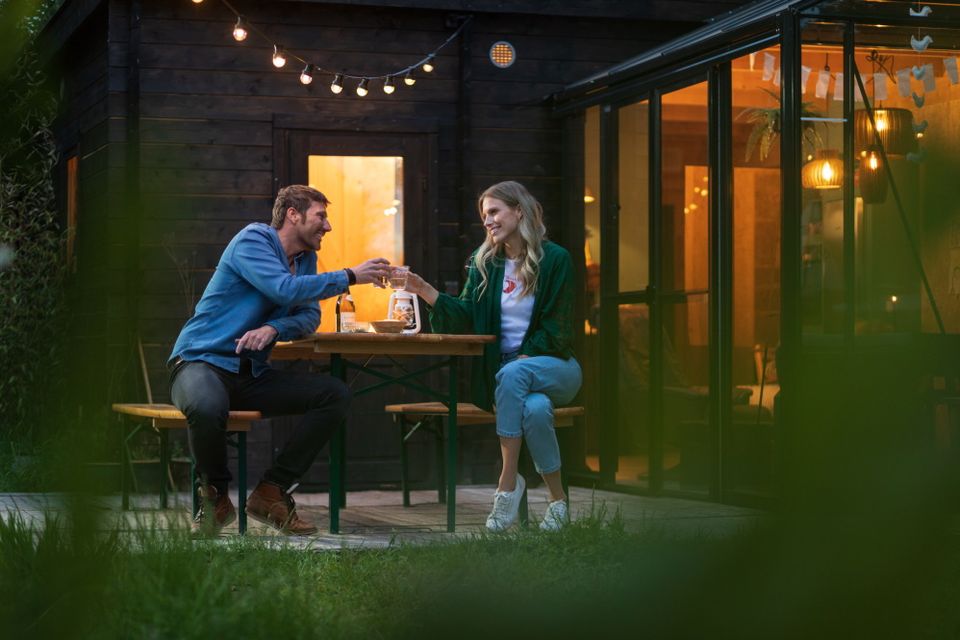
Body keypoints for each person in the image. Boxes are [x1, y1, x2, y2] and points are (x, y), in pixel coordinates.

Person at [168, 184, 391, 536]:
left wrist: (274, 326)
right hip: (201, 362)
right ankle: (214, 500)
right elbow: (283, 289)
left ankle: (271, 492)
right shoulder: (253, 240)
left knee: (334, 394)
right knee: (207, 405)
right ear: (293, 214)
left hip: (249, 373)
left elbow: (308, 317)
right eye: (321, 216)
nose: (328, 226)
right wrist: (350, 276)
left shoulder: (305, 261)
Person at [404, 181, 582, 531]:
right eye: (484, 215)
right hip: (509, 380)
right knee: (534, 409)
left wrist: (524, 358)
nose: (488, 221)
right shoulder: (483, 262)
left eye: (495, 211)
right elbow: (467, 315)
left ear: (519, 210)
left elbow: (559, 327)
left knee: (515, 374)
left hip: (556, 366)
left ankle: (506, 484)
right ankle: (559, 502)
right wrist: (424, 289)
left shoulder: (556, 259)